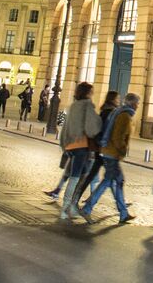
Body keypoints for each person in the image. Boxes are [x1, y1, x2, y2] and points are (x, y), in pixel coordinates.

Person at [81, 92, 138, 224]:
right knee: (108, 181)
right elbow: (118, 137)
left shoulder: (120, 112)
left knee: (118, 180)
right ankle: (87, 208)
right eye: (137, 103)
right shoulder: (124, 116)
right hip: (112, 153)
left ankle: (123, 213)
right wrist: (123, 150)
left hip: (108, 151)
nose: (138, 106)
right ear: (133, 104)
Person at [57, 81, 102, 221]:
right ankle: (65, 208)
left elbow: (65, 126)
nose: (92, 94)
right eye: (91, 92)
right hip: (81, 146)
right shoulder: (87, 106)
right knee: (75, 178)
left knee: (82, 176)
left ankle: (71, 206)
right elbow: (91, 128)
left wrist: (64, 144)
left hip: (70, 146)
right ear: (87, 93)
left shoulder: (73, 106)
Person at [73, 90, 119, 204]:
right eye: (118, 98)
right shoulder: (110, 112)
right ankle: (120, 204)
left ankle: (76, 198)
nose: (119, 100)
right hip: (105, 148)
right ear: (113, 99)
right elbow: (108, 131)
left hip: (100, 148)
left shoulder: (104, 110)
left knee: (96, 176)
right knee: (112, 177)